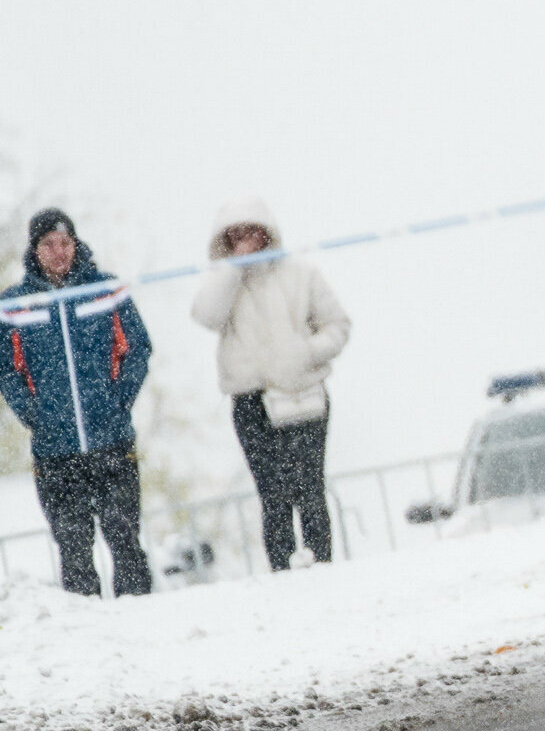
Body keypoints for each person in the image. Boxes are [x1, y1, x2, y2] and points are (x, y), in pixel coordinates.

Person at [189, 198, 351, 571]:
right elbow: (206, 316)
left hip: (302, 393)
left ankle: (322, 563)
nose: (246, 240)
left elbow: (337, 325)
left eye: (252, 231)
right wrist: (232, 270)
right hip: (250, 401)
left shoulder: (301, 274)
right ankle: (281, 569)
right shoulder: (223, 283)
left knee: (309, 488)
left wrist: (306, 352)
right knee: (272, 493)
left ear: (267, 231)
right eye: (236, 234)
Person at [0, 210, 154, 597]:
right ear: (34, 250)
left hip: (111, 441)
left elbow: (138, 349)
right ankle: (87, 632)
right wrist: (34, 414)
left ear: (76, 245)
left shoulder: (105, 288)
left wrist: (119, 401)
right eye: (48, 244)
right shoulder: (14, 304)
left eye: (65, 243)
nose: (58, 252)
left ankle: (141, 616)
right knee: (73, 547)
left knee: (125, 539)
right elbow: (6, 370)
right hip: (55, 451)